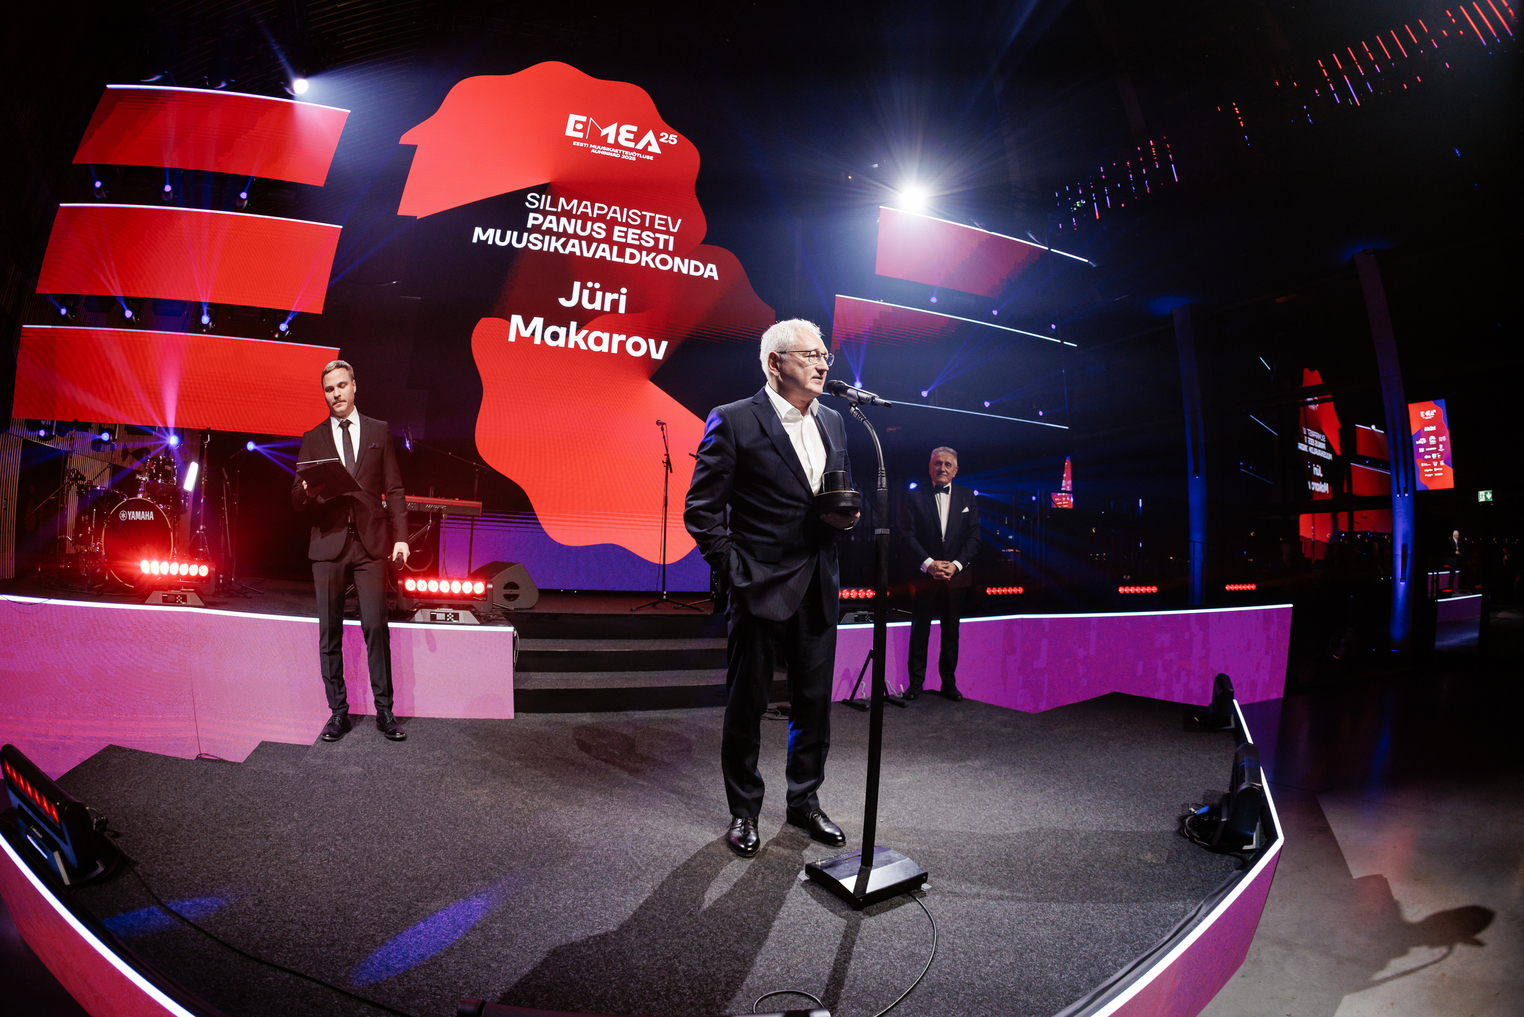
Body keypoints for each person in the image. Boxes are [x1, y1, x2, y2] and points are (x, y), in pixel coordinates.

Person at [684, 319, 860, 858]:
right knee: (748, 703)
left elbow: (833, 493)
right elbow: (702, 512)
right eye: (810, 355)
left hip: (819, 583)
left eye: (825, 355)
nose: (822, 364)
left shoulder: (834, 420)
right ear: (774, 363)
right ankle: (744, 810)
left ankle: (804, 801)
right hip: (758, 586)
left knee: (814, 704)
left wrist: (845, 516)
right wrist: (737, 570)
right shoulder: (735, 419)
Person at [292, 360, 411, 742]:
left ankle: (385, 710)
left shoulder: (379, 430)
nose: (336, 394)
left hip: (370, 544)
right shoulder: (313, 437)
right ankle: (338, 713)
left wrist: (401, 536)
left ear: (354, 386)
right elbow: (297, 499)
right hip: (328, 544)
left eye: (341, 386)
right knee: (329, 631)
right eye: (329, 389)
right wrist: (306, 491)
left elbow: (394, 487)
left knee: (375, 626)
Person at [898, 447, 980, 702]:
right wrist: (929, 564)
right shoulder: (915, 495)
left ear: (955, 470)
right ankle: (915, 684)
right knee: (919, 631)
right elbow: (906, 535)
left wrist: (955, 565)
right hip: (924, 576)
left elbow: (974, 538)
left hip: (956, 577)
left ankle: (949, 684)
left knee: (951, 632)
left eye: (947, 464)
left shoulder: (967, 496)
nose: (942, 468)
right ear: (930, 467)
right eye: (937, 463)